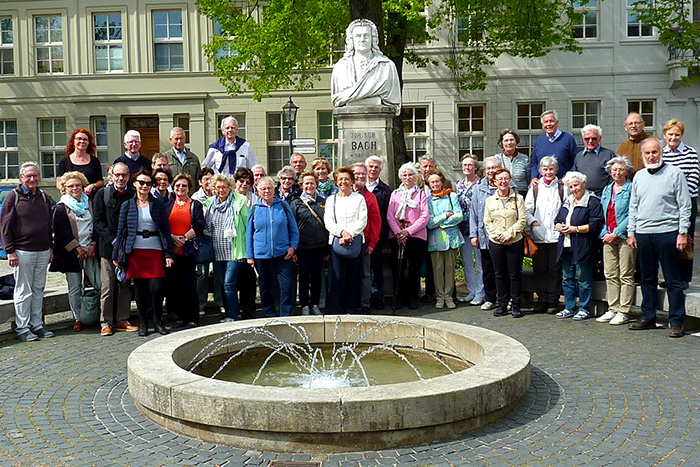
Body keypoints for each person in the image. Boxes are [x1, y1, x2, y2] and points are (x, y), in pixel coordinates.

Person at [627, 138, 691, 338]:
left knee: (673, 279)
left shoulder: (674, 173)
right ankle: (648, 316)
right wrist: (631, 232)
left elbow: (685, 205)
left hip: (668, 233)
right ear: (643, 155)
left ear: (661, 152)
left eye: (654, 152)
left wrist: (683, 232)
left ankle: (676, 321)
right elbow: (633, 206)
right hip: (644, 233)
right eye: (647, 153)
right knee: (647, 278)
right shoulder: (639, 176)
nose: (651, 156)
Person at [112, 169, 174, 337]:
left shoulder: (158, 204)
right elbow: (121, 231)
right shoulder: (128, 205)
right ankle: (144, 323)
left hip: (154, 250)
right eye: (141, 182)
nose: (145, 186)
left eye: (148, 183)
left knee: (157, 288)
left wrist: (168, 254)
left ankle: (158, 321)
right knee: (140, 289)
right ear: (135, 184)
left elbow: (166, 229)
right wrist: (116, 255)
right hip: (136, 250)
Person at [0, 162, 55, 342]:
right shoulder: (13, 197)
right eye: (28, 176)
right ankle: (23, 327)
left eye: (35, 175)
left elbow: (48, 224)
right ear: (21, 178)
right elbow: (5, 226)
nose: (32, 179)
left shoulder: (44, 196)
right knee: (23, 290)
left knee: (38, 289)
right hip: (22, 251)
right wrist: (9, 251)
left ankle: (37, 324)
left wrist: (50, 246)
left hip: (42, 250)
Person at [50, 171, 101, 332]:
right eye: (70, 186)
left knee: (99, 282)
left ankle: (95, 314)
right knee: (74, 287)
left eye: (77, 185)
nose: (75, 188)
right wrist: (77, 248)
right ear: (64, 188)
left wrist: (93, 244)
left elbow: (96, 225)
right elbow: (61, 232)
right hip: (71, 253)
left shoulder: (90, 203)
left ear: (83, 186)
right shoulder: (61, 207)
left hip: (90, 250)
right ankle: (78, 317)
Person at [93, 162, 138, 336]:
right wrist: (112, 239)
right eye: (117, 174)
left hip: (128, 248)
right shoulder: (101, 194)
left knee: (125, 286)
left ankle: (122, 319)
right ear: (111, 175)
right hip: (108, 248)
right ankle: (105, 322)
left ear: (128, 176)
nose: (120, 178)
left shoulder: (133, 194)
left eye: (124, 175)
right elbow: (97, 221)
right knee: (108, 286)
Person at [554, 172, 604, 321]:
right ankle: (569, 307)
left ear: (583, 184)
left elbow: (596, 224)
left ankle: (584, 308)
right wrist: (558, 226)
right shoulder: (568, 201)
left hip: (583, 244)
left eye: (576, 185)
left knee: (583, 277)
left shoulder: (592, 201)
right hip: (567, 244)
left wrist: (575, 229)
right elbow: (557, 219)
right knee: (567, 277)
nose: (573, 189)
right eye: (570, 186)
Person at [246, 176, 299, 317]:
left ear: (274, 189)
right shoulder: (255, 208)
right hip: (261, 254)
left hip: (283, 253)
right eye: (263, 188)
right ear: (258, 191)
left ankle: (285, 312)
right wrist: (250, 256)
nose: (267, 191)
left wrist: (293, 247)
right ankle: (269, 312)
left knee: (286, 285)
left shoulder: (282, 205)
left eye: (269, 188)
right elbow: (249, 233)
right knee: (265, 286)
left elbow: (294, 230)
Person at [331, 19, 401, 115]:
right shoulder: (340, 68)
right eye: (358, 36)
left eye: (366, 35)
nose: (362, 39)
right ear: (351, 40)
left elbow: (393, 100)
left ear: (373, 39)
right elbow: (337, 98)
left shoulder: (387, 67)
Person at [596, 157, 636, 326]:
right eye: (614, 170)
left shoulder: (631, 189)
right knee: (610, 274)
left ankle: (624, 311)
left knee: (625, 274)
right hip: (608, 236)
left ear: (627, 171)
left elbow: (633, 213)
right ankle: (613, 308)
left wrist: (617, 232)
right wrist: (605, 232)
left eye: (621, 169)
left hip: (625, 236)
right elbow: (603, 214)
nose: (617, 172)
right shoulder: (607, 189)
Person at [524, 157, 566, 314]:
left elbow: (567, 206)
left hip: (556, 235)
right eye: (545, 169)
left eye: (551, 169)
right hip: (539, 235)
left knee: (554, 269)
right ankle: (541, 299)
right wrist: (533, 221)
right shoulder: (535, 188)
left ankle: (553, 301)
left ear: (556, 170)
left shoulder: (562, 187)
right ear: (540, 171)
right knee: (540, 269)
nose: (548, 172)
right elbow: (527, 209)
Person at [324, 167, 368, 314]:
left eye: (347, 179)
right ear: (336, 182)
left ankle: (351, 309)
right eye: (340, 179)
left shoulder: (359, 198)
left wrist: (350, 234)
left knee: (352, 277)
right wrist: (341, 233)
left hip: (355, 243)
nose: (344, 182)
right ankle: (334, 310)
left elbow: (362, 220)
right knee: (336, 278)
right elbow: (328, 221)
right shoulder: (331, 200)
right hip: (336, 242)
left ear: (352, 181)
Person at [206, 174, 250, 322]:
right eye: (218, 187)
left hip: (235, 252)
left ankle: (233, 315)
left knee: (229, 283)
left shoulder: (239, 202)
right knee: (223, 284)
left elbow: (247, 225)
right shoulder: (210, 204)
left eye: (224, 187)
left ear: (230, 188)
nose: (221, 190)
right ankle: (229, 313)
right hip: (217, 252)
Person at [484, 168, 526, 318]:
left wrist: (508, 235)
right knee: (499, 274)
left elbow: (522, 220)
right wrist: (499, 237)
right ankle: (502, 304)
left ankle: (515, 305)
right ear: (494, 182)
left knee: (514, 274)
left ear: (510, 180)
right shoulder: (489, 201)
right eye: (500, 179)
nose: (503, 182)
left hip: (514, 241)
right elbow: (487, 222)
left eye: (506, 179)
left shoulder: (518, 199)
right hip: (496, 242)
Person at [662, 118, 699, 286]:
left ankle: (684, 278)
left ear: (681, 135)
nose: (673, 137)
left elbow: (694, 178)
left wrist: (680, 197)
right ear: (665, 135)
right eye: (670, 134)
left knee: (685, 239)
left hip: (687, 202)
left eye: (677, 134)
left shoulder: (691, 153)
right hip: (668, 204)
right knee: (669, 240)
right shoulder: (661, 154)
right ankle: (671, 277)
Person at [387, 163, 429, 310]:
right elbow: (390, 215)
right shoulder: (395, 194)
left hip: (416, 236)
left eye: (410, 174)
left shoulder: (421, 194)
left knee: (414, 268)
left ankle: (413, 297)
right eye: (404, 175)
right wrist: (398, 232)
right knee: (398, 267)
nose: (407, 177)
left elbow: (424, 216)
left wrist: (408, 231)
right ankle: (399, 298)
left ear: (415, 176)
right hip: (397, 235)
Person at [470, 156, 509, 311]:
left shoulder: (509, 186)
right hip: (485, 236)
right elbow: (473, 214)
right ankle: (490, 297)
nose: (491, 171)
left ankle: (506, 298)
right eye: (488, 168)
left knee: (505, 268)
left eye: (494, 168)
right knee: (488, 268)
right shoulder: (478, 189)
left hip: (505, 237)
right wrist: (474, 235)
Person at [166, 174, 205, 329]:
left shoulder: (195, 205)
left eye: (184, 186)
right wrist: (173, 238)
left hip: (188, 251)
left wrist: (183, 238)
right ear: (173, 188)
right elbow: (163, 225)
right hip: (173, 252)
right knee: (175, 287)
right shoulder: (168, 204)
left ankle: (192, 317)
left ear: (189, 188)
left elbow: (199, 225)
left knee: (189, 286)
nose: (180, 188)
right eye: (177, 186)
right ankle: (181, 317)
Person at [290, 172, 328, 316]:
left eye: (312, 183)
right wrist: (293, 249)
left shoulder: (323, 201)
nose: (309, 186)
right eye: (306, 183)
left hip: (319, 247)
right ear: (301, 185)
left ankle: (315, 304)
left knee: (317, 278)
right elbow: (292, 227)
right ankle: (305, 304)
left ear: (316, 185)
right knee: (304, 277)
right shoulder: (295, 203)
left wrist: (327, 250)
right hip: (303, 248)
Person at [427, 169, 464, 309]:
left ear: (442, 182)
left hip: (451, 239)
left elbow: (459, 216)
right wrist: (444, 216)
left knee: (449, 268)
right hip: (436, 240)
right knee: (437, 269)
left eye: (437, 181)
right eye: (432, 182)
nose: (435, 184)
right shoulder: (428, 200)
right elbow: (429, 222)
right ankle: (440, 297)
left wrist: (440, 223)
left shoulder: (451, 196)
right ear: (429, 184)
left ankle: (449, 297)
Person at [191, 167, 225, 316]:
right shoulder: (196, 198)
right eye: (206, 179)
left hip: (218, 239)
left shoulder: (220, 196)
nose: (209, 182)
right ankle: (201, 303)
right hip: (202, 239)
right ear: (200, 182)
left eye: (211, 179)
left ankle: (220, 302)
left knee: (218, 272)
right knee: (203, 273)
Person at [455, 154, 484, 305]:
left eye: (470, 165)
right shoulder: (458, 184)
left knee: (479, 262)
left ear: (476, 167)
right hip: (462, 229)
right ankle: (471, 291)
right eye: (464, 165)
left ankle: (481, 292)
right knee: (467, 262)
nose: (467, 167)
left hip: (477, 229)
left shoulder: (481, 184)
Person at [352, 163, 381, 314]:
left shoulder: (370, 197)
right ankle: (351, 302)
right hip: (347, 241)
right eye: (357, 174)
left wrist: (372, 242)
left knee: (365, 274)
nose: (361, 176)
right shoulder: (342, 194)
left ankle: (365, 303)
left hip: (365, 241)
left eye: (364, 174)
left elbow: (376, 221)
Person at [365, 155, 392, 309]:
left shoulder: (385, 189)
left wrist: (382, 234)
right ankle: (364, 297)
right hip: (361, 236)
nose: (373, 169)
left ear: (380, 170)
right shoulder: (359, 188)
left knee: (377, 267)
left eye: (376, 167)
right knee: (363, 268)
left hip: (378, 235)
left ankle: (378, 296)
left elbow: (387, 214)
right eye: (371, 166)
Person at [233, 167, 257, 318]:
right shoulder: (231, 198)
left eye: (247, 182)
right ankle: (233, 309)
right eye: (241, 181)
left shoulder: (255, 199)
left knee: (249, 280)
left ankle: (248, 309)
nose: (244, 184)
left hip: (251, 245)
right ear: (235, 182)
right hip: (234, 246)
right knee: (232, 280)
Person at [529, 110, 578, 180]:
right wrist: (534, 177)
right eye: (546, 122)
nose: (549, 124)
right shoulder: (539, 140)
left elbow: (575, 162)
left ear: (557, 123)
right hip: (543, 184)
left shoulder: (568, 139)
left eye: (551, 121)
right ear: (542, 125)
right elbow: (533, 163)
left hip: (563, 184)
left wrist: (567, 179)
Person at [56, 129, 104, 197]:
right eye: (79, 139)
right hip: (71, 199)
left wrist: (92, 186)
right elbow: (59, 184)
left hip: (91, 198)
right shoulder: (65, 161)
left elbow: (101, 182)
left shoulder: (94, 161)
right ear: (73, 141)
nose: (82, 141)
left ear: (88, 143)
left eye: (85, 139)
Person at [572, 124, 615, 197]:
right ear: (583, 139)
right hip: (583, 197)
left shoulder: (608, 154)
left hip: (603, 197)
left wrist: (607, 193)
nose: (590, 141)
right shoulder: (579, 156)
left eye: (594, 138)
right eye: (587, 139)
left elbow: (613, 177)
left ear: (600, 138)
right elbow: (576, 177)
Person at [164, 127, 202, 194]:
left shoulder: (193, 158)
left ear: (185, 139)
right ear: (171, 140)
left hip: (190, 196)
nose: (179, 141)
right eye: (176, 139)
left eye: (181, 138)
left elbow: (198, 179)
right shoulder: (166, 157)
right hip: (173, 197)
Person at [494, 129, 530, 194]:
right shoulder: (497, 158)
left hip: (521, 193)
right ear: (502, 143)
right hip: (503, 193)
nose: (509, 143)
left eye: (511, 140)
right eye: (506, 140)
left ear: (516, 142)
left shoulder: (524, 158)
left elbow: (529, 179)